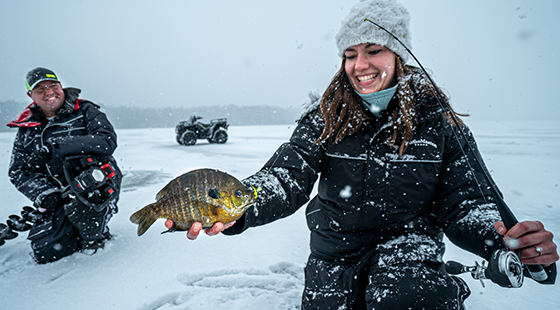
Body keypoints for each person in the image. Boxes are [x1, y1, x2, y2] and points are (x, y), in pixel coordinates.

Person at [167, 0, 558, 308]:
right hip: (333, 256)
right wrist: (234, 207)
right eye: (350, 54)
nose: (360, 65)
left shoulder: (438, 121)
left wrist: (507, 243)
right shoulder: (323, 116)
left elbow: (468, 202)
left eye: (374, 50)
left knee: (408, 297)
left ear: (399, 55)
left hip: (411, 251)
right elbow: (286, 177)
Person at [7, 67, 122, 264]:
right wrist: (45, 193)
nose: (49, 91)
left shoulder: (85, 110)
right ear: (31, 95)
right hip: (58, 192)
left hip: (97, 183)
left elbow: (107, 141)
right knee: (47, 251)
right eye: (40, 89)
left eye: (53, 85)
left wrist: (55, 148)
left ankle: (97, 240)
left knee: (87, 219)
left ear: (61, 86)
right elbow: (17, 171)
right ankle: (69, 225)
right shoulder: (28, 128)